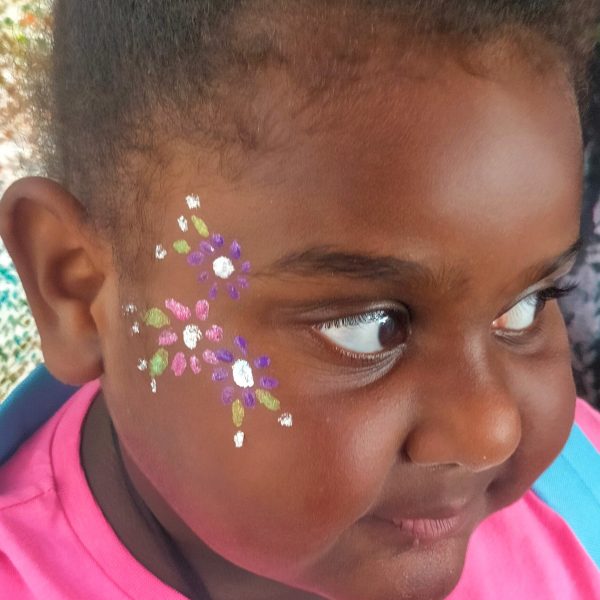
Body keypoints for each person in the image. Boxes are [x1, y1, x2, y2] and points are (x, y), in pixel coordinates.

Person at [0, 1, 599, 599]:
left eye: (525, 305)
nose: (491, 431)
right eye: (370, 327)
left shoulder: (582, 499)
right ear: (75, 288)